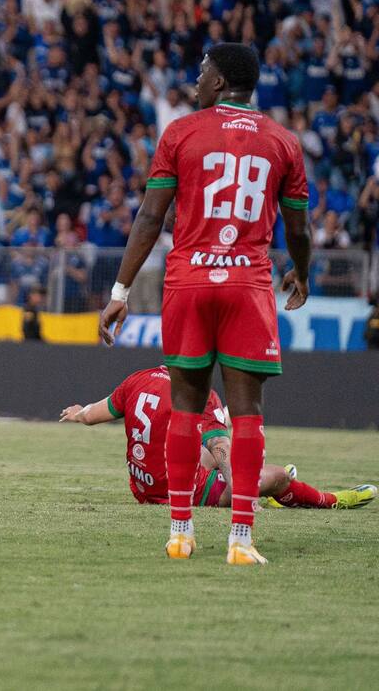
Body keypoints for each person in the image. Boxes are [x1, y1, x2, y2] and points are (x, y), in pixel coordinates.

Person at [99, 43, 311, 565]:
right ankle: (240, 539)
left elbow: (150, 217)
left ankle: (180, 534)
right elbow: (299, 225)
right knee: (246, 416)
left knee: (187, 410)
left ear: (218, 82)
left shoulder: (181, 133)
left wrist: (119, 292)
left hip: (189, 283)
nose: (196, 79)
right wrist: (301, 273)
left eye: (202, 71)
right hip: (248, 287)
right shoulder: (284, 142)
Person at [59, 365, 375, 510]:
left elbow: (91, 415)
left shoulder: (138, 379)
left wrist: (79, 412)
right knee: (277, 475)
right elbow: (221, 448)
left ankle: (258, 481)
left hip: (143, 488)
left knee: (215, 427)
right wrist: (243, 497)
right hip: (183, 490)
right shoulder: (199, 392)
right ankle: (333, 499)